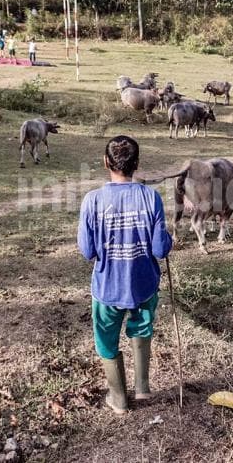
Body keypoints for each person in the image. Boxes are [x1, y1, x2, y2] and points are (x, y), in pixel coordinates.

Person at [77, 136, 173, 414]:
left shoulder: (92, 200)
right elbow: (159, 249)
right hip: (144, 283)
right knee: (142, 327)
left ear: (106, 162)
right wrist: (168, 240)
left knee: (106, 337)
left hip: (107, 286)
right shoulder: (150, 197)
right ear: (137, 164)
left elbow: (87, 251)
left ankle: (118, 399)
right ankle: (142, 387)